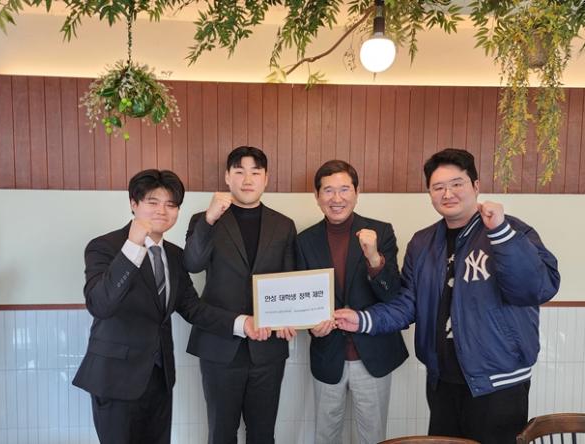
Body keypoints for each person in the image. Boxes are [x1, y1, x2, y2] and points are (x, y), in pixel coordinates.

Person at [335, 148, 560, 444]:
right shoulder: (423, 242)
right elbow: (408, 304)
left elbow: (537, 288)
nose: (448, 193)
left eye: (457, 184)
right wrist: (363, 320)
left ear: (476, 186)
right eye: (438, 187)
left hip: (498, 383)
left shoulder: (510, 230)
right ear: (429, 193)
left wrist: (500, 233)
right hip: (442, 380)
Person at [73, 169, 237, 444]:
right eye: (152, 202)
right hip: (115, 379)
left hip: (160, 378)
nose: (162, 210)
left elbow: (193, 309)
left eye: (171, 204)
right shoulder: (104, 246)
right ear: (133, 204)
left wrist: (242, 323)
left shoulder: (174, 255)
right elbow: (100, 305)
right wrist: (133, 245)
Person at [183, 146, 297, 444]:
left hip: (269, 348)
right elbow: (192, 264)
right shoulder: (203, 219)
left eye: (255, 172)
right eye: (239, 171)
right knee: (221, 433)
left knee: (263, 434)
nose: (247, 179)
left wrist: (290, 318)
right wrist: (209, 219)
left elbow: (289, 281)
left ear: (266, 178)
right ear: (227, 177)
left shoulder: (283, 225)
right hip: (219, 345)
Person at [296, 160, 408, 444]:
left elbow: (392, 294)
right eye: (328, 190)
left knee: (373, 437)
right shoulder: (304, 241)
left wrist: (373, 257)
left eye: (345, 189)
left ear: (357, 192)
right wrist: (310, 326)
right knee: (325, 436)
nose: (337, 198)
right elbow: (301, 297)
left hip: (374, 354)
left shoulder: (381, 232)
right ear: (317, 196)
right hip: (327, 354)